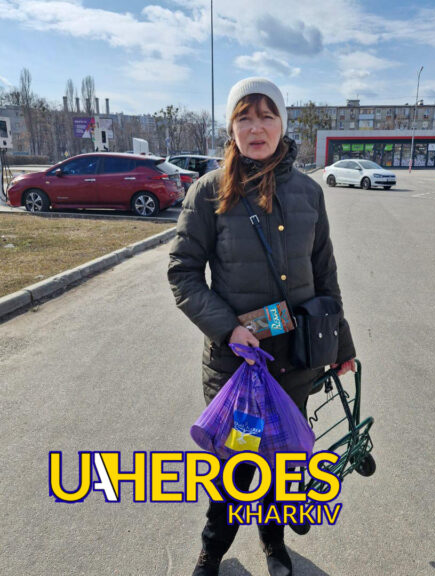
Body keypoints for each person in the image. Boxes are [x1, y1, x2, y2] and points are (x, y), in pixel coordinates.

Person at [168, 77, 357, 576]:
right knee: (237, 465)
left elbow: (325, 277)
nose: (256, 128)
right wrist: (228, 328)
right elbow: (182, 273)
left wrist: (342, 344)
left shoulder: (309, 193)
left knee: (284, 463)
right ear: (230, 128)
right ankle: (213, 549)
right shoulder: (208, 193)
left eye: (266, 116)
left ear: (282, 124)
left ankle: (273, 544)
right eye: (244, 117)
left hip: (294, 360)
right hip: (236, 365)